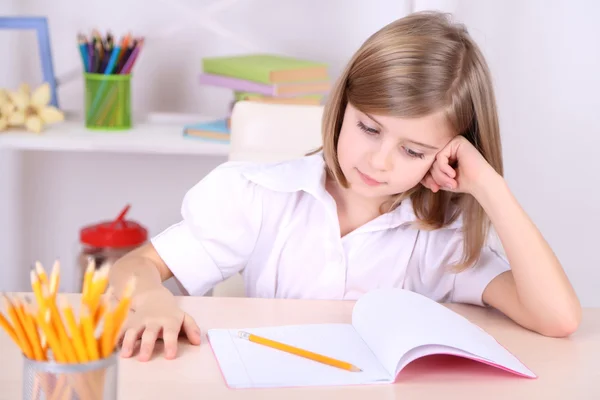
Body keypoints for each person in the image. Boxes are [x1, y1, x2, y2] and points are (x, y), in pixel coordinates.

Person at [108, 11, 581, 362]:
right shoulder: (260, 197)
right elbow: (136, 265)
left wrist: (487, 185)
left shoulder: (441, 238)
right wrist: (150, 299)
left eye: (413, 151)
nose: (378, 161)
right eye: (369, 128)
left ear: (448, 154)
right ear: (342, 105)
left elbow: (557, 318)